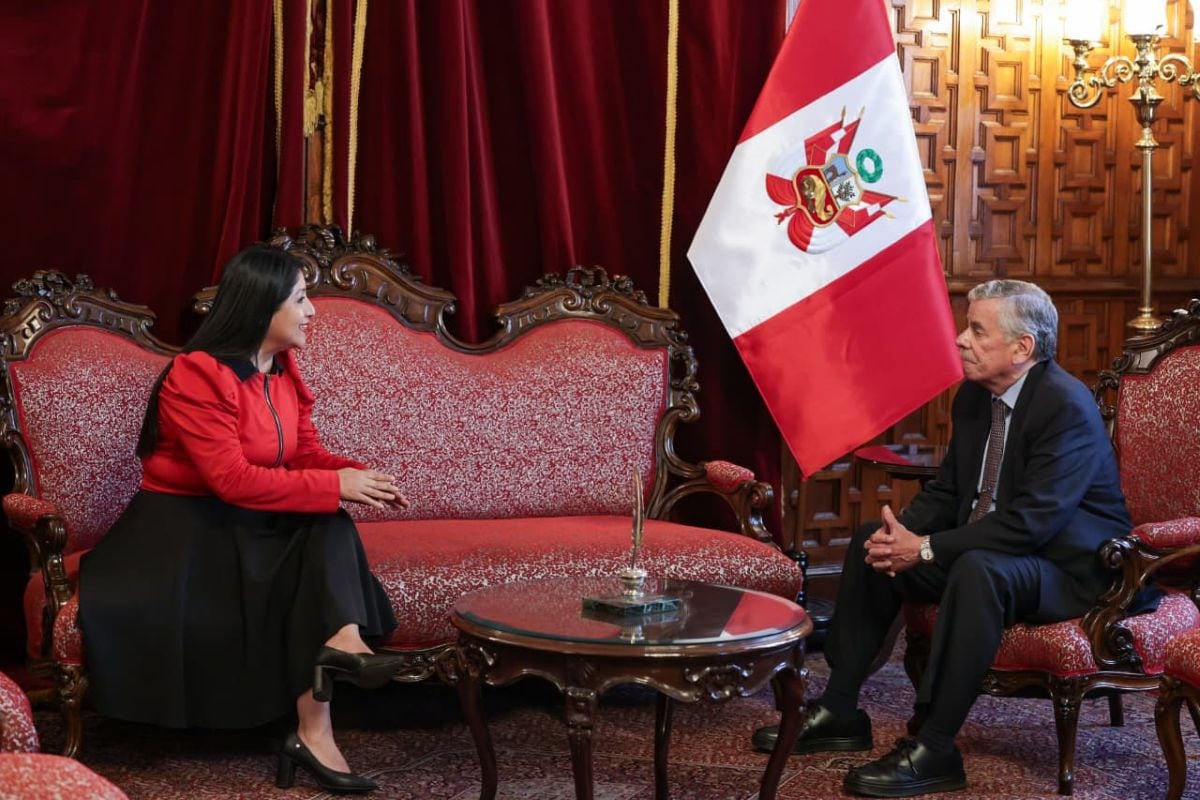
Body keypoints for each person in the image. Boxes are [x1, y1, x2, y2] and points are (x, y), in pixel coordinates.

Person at [751, 279, 1153, 797]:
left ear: (1022, 348)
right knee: (871, 542)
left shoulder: (1064, 406)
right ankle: (840, 709)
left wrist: (925, 548)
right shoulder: (975, 396)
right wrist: (902, 537)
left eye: (977, 330)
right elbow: (949, 490)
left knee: (977, 569)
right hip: (1000, 548)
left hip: (1071, 566)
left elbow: (1032, 523)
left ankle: (936, 747)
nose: (961, 340)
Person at [79, 245, 409, 794]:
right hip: (185, 532)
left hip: (249, 520)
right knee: (323, 516)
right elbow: (229, 479)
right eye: (301, 299)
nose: (313, 312)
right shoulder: (197, 374)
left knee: (328, 521)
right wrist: (335, 486)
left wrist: (355, 475)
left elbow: (303, 454)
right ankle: (333, 673)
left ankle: (334, 673)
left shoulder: (281, 368)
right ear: (262, 305)